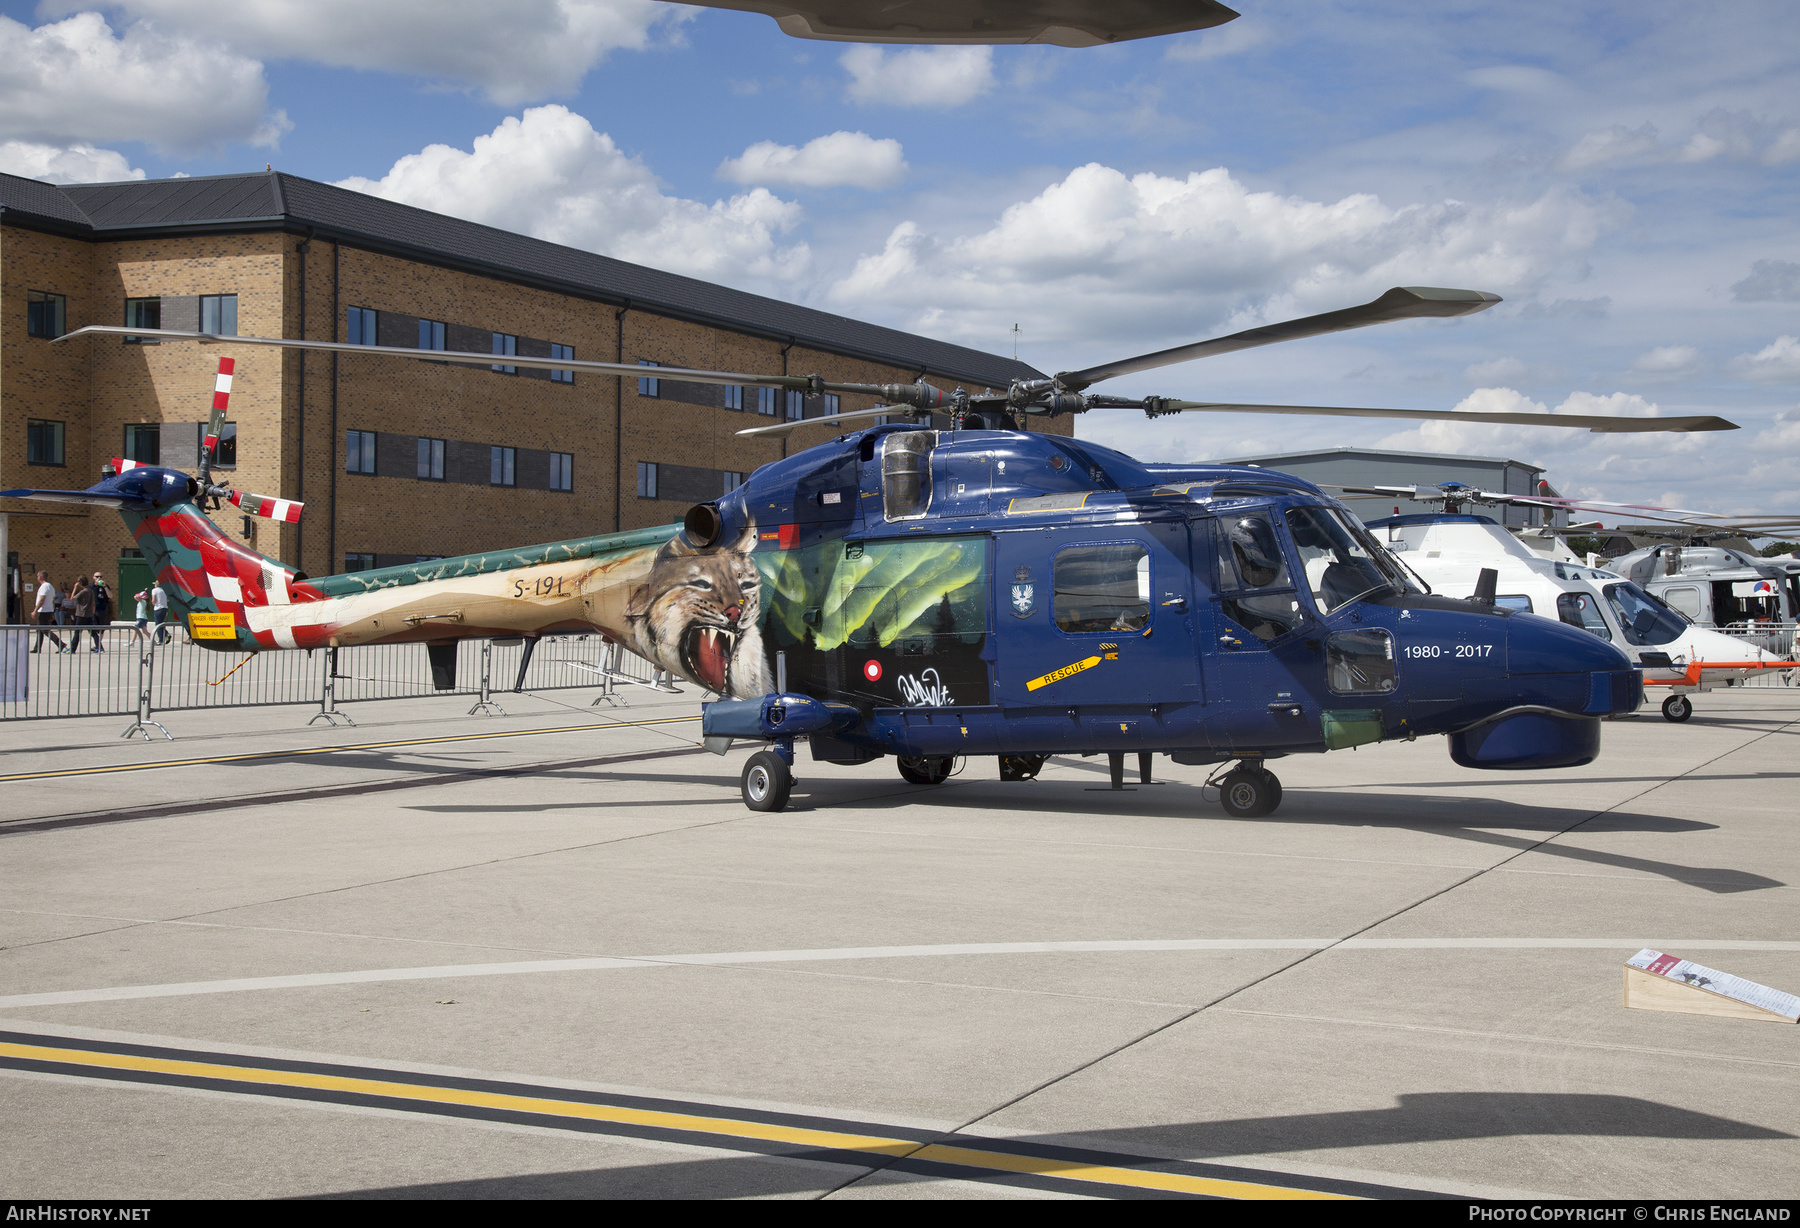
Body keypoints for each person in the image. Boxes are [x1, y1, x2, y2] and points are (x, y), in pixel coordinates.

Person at [31, 572, 66, 653]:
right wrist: (52, 611)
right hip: (48, 610)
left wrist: (35, 610)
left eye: (37, 576)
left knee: (45, 630)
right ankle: (37, 648)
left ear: (40, 577)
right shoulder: (51, 587)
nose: (37, 578)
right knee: (39, 630)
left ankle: (60, 644)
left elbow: (42, 599)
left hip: (44, 611)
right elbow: (52, 600)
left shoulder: (44, 587)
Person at [70, 577, 94, 652]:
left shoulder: (83, 592)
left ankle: (72, 649)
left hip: (81, 614)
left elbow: (72, 598)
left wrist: (75, 588)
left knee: (77, 632)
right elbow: (93, 603)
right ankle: (100, 647)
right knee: (93, 632)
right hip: (89, 614)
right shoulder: (91, 591)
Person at [90, 573, 111, 652]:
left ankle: (98, 644)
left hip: (102, 609)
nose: (99, 578)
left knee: (102, 628)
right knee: (94, 627)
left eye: (100, 577)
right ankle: (95, 644)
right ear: (93, 577)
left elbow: (110, 596)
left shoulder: (105, 586)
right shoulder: (91, 587)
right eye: (97, 576)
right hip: (93, 609)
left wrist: (104, 586)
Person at [150, 579, 170, 645]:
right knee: (161, 623)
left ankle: (161, 640)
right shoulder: (163, 590)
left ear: (156, 585)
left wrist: (153, 603)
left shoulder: (154, 590)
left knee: (158, 624)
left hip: (158, 608)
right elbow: (167, 600)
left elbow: (153, 600)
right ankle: (166, 634)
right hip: (164, 608)